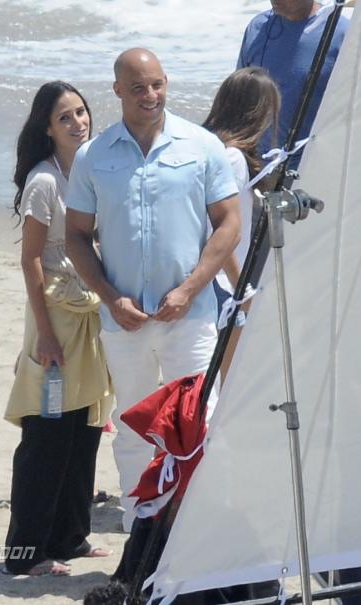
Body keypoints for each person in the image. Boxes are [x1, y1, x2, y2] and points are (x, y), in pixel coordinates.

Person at [65, 48, 241, 532]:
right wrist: (109, 296)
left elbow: (229, 224)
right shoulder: (94, 156)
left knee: (200, 422)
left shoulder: (201, 146)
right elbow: (76, 235)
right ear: (118, 90)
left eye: (157, 85)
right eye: (138, 87)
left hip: (192, 316)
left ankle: (199, 533)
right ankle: (139, 530)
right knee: (133, 427)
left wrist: (189, 289)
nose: (150, 95)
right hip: (124, 321)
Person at [3, 81, 113, 576]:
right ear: (46, 128)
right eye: (64, 117)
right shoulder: (44, 181)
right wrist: (44, 333)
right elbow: (31, 259)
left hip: (90, 313)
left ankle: (70, 536)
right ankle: (25, 552)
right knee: (47, 431)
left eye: (81, 112)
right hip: (56, 315)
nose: (77, 123)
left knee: (85, 427)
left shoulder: (90, 171)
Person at [202, 66, 281, 381]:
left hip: (213, 283)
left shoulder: (210, 148)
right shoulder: (233, 158)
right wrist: (242, 290)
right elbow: (218, 229)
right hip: (223, 285)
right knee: (227, 382)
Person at [237, 0, 348, 167]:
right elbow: (238, 99)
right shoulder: (258, 28)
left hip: (313, 166)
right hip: (257, 165)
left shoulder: (341, 34)